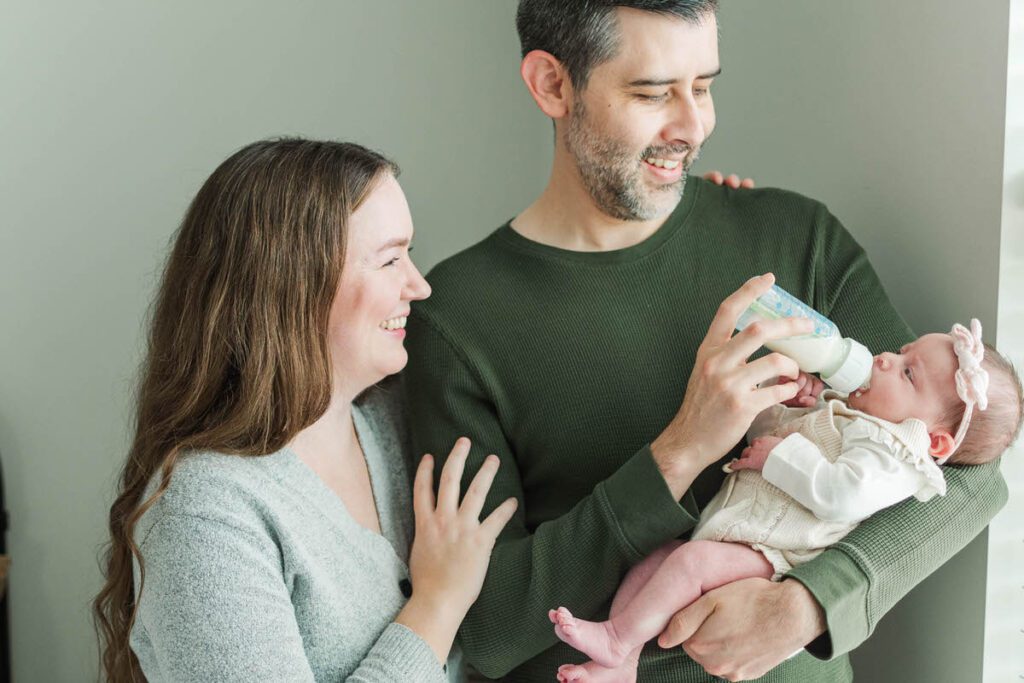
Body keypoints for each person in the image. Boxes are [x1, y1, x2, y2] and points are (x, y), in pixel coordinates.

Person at [402, 2, 1009, 681]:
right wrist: (681, 449)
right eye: (654, 92)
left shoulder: (792, 237)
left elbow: (966, 472)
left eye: (705, 85)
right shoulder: (460, 319)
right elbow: (486, 626)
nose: (694, 127)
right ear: (552, 85)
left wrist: (809, 602)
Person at [92, 139, 518, 682]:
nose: (419, 285)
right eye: (390, 260)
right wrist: (436, 604)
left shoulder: (396, 425)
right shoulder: (202, 516)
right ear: (294, 287)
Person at [551, 320, 1023, 682]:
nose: (882, 359)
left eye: (907, 372)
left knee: (689, 564)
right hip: (745, 533)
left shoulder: (896, 457)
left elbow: (840, 494)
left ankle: (616, 640)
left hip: (777, 556)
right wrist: (790, 407)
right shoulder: (857, 413)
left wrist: (782, 454)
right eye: (901, 352)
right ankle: (623, 659)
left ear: (934, 444)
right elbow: (763, 439)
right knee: (660, 558)